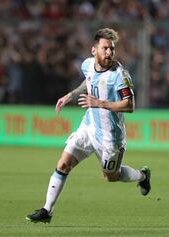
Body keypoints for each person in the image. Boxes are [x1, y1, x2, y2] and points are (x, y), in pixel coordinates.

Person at [26, 28, 151, 223]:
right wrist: (70, 95)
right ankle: (46, 210)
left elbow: (130, 105)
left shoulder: (120, 75)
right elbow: (89, 80)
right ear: (94, 50)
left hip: (111, 138)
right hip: (89, 126)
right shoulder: (87, 65)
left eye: (112, 49)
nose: (109, 53)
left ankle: (142, 176)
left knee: (111, 176)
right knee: (63, 163)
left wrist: (100, 103)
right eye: (105, 48)